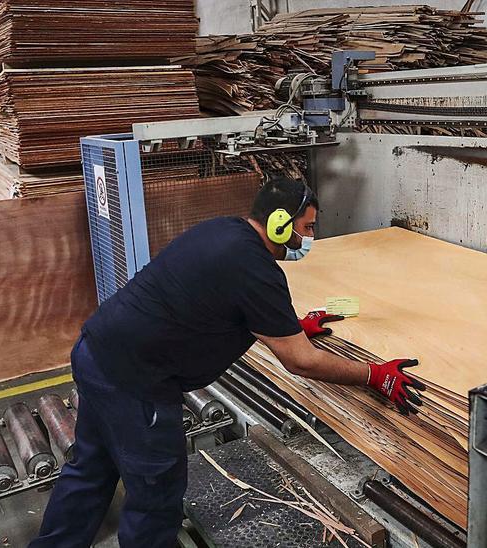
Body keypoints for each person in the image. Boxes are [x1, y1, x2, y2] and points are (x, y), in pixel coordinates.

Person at [31, 176, 425, 548]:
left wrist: (287, 325)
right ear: (278, 225)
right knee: (156, 493)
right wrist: (375, 375)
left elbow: (219, 302)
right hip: (136, 384)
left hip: (96, 350)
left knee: (89, 470)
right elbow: (301, 362)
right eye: (306, 228)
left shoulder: (222, 231)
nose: (310, 239)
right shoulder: (255, 268)